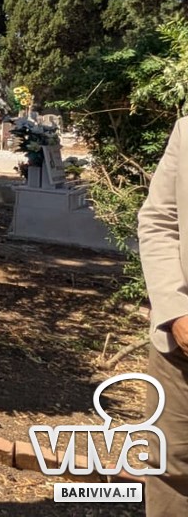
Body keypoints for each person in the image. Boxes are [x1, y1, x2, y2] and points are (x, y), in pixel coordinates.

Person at [136, 117, 188, 515]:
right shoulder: (187, 132)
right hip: (180, 348)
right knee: (170, 471)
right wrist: (175, 311)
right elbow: (159, 221)